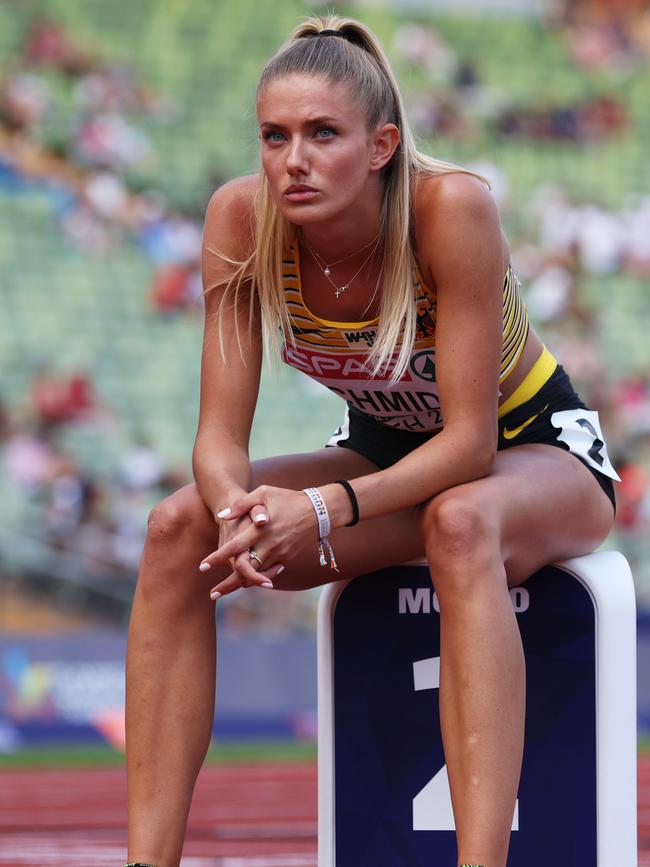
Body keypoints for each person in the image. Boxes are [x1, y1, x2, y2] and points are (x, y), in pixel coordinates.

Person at [124, 14, 619, 867]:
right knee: (176, 530)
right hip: (386, 453)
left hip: (531, 448)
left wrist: (317, 508)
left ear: (382, 143)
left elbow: (468, 443)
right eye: (274, 137)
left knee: (461, 522)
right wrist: (238, 510)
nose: (294, 160)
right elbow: (215, 439)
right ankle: (147, 860)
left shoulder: (450, 206)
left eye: (323, 134)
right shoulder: (241, 221)